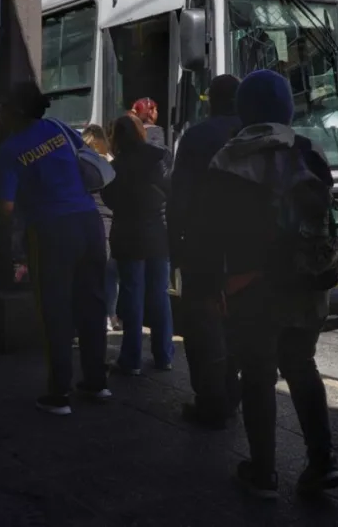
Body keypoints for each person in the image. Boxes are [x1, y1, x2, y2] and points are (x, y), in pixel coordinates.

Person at [196, 69, 338, 499]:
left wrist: (211, 288)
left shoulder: (228, 157)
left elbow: (211, 233)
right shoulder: (311, 150)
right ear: (286, 106)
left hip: (253, 288)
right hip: (310, 281)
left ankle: (263, 472)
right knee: (302, 367)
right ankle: (323, 462)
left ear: (245, 108)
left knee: (258, 375)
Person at [0, 80, 110, 415]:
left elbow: (5, 207)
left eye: (1, 109)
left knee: (54, 309)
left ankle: (59, 394)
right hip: (90, 222)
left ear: (13, 111)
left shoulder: (11, 150)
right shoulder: (60, 128)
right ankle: (97, 382)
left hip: (51, 230)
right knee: (92, 304)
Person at [167, 74, 243, 429]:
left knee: (202, 329)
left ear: (210, 100)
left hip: (203, 246)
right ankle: (233, 393)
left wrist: (174, 249)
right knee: (237, 327)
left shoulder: (196, 136)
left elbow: (178, 198)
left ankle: (210, 402)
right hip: (247, 249)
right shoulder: (253, 132)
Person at [101, 114, 174, 375]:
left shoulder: (116, 166)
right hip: (158, 234)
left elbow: (109, 199)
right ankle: (164, 355)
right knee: (160, 296)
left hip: (129, 236)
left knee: (132, 295)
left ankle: (131, 360)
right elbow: (171, 189)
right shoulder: (160, 155)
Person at [82, 124, 120, 332]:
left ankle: (103, 315)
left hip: (92, 221)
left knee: (97, 272)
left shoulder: (81, 163)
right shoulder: (110, 163)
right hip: (110, 220)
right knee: (111, 273)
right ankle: (110, 315)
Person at [131, 97, 173, 173]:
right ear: (150, 112)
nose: (157, 112)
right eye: (155, 109)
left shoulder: (129, 140)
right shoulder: (156, 133)